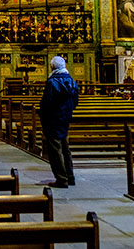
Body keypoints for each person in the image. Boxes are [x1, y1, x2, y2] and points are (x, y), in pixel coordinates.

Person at [38, 55, 79, 188]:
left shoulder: (52, 82)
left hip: (53, 119)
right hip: (65, 118)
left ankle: (61, 179)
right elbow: (75, 101)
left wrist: (44, 117)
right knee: (65, 148)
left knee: (55, 150)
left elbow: (46, 103)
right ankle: (70, 176)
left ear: (52, 67)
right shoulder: (71, 81)